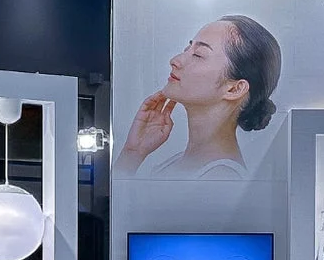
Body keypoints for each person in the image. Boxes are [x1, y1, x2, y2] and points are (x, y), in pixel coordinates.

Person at [115, 15, 282, 181]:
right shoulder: (177, 165)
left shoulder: (221, 179)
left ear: (234, 89)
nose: (175, 61)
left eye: (198, 55)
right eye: (187, 49)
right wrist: (133, 152)